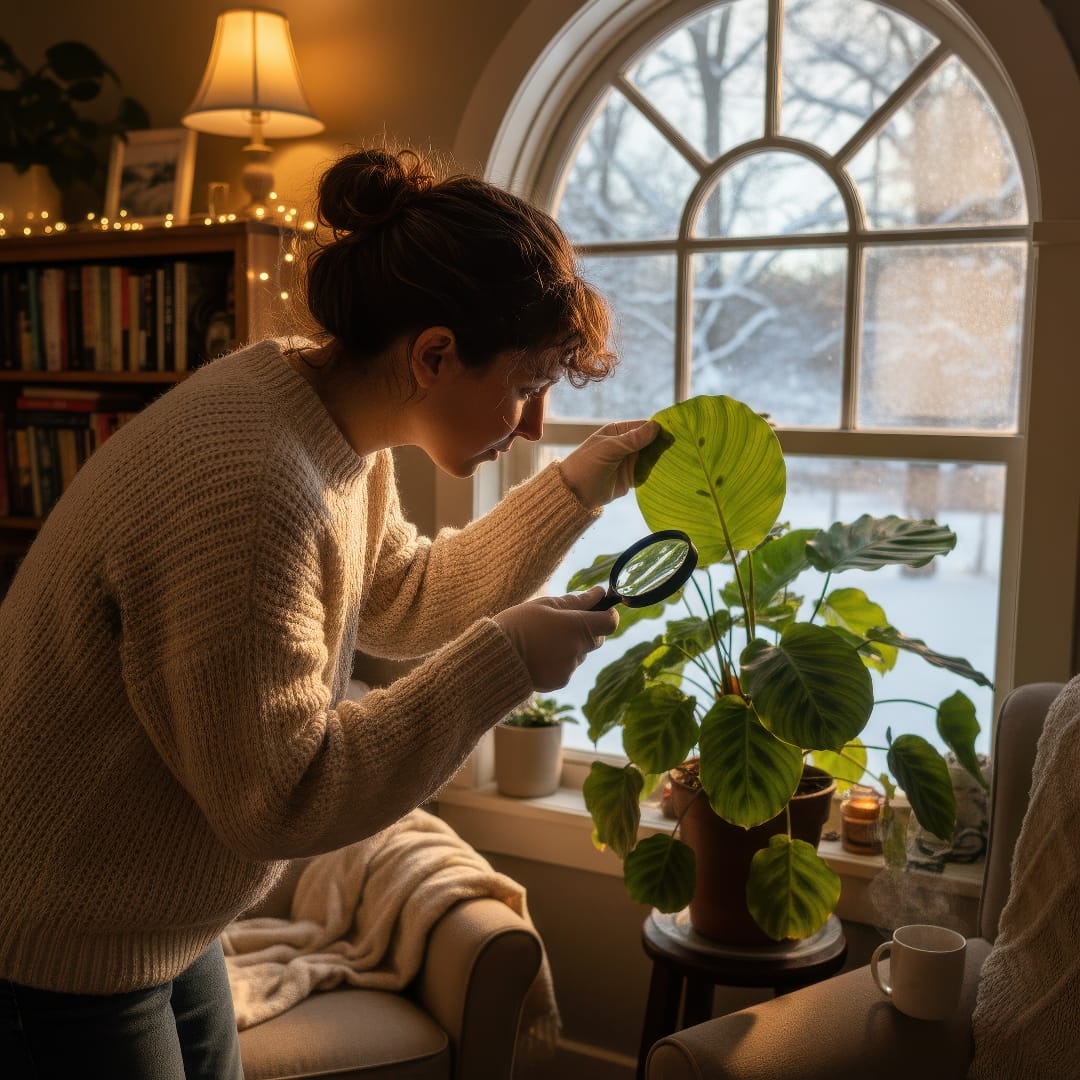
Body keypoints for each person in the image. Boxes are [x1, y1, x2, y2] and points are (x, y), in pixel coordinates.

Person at [0, 146, 658, 1078]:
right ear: (433, 355)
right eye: (524, 385)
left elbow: (400, 600)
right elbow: (284, 798)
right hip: (56, 941)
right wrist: (504, 661)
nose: (536, 423)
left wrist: (577, 488)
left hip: (159, 922)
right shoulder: (252, 486)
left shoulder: (323, 415)